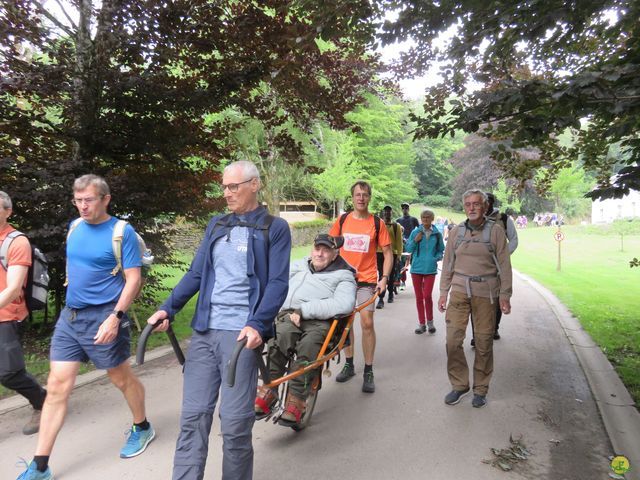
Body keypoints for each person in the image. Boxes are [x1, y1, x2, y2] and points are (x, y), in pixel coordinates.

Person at [147, 160, 291, 480]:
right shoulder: (217, 224)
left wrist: (257, 323)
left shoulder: (274, 228)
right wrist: (167, 308)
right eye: (224, 187)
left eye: (233, 186)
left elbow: (279, 283)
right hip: (204, 333)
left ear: (254, 185)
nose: (226, 193)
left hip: (240, 336)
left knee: (235, 422)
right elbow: (196, 273)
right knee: (193, 417)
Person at [17, 175, 153, 480]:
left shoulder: (121, 233)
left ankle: (142, 426)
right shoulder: (75, 227)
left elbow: (133, 279)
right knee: (56, 387)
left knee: (121, 378)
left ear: (105, 199)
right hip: (71, 318)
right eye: (78, 200)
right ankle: (40, 465)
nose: (82, 206)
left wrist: (115, 318)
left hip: (105, 317)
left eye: (88, 200)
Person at [254, 233, 356, 426]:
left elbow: (345, 303)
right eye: (317, 249)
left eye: (326, 250)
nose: (320, 254)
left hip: (320, 320)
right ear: (312, 249)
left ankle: (297, 399)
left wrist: (305, 310)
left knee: (308, 347)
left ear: (335, 254)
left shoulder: (344, 274)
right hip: (289, 316)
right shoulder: (299, 265)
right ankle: (270, 388)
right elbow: (276, 282)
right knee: (278, 339)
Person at [438, 189, 512, 409]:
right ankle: (460, 385)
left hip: (486, 293)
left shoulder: (496, 232)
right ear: (464, 207)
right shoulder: (456, 232)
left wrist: (505, 295)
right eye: (468, 204)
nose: (472, 207)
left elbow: (505, 266)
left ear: (484, 207)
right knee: (452, 341)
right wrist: (443, 292)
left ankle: (480, 389)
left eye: (476, 204)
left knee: (483, 342)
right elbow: (448, 263)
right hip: (460, 291)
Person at [329, 181, 392, 393]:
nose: (361, 198)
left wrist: (384, 278)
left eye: (365, 194)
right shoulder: (343, 220)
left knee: (367, 322)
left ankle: (368, 369)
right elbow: (329, 245)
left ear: (369, 197)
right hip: (345, 279)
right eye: (357, 194)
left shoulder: (377, 223)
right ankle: (349, 364)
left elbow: (388, 253)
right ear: (352, 197)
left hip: (366, 279)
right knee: (345, 323)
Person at [0, 191, 47, 437]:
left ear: (8, 211)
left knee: (8, 372)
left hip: (7, 314)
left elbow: (14, 287)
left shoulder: (16, 242)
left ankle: (42, 402)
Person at [482, 192, 518, 340]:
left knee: (496, 297)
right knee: (479, 298)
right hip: (481, 264)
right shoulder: (475, 219)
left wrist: (502, 255)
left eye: (488, 201)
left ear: (491, 202)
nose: (486, 204)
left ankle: (494, 328)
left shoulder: (503, 219)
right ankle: (479, 333)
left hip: (498, 265)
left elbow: (514, 240)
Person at [404, 209, 445, 334]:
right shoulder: (416, 232)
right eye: (423, 217)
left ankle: (430, 323)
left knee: (427, 296)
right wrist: (415, 240)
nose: (425, 219)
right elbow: (408, 249)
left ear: (432, 219)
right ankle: (422, 324)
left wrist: (435, 258)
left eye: (428, 217)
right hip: (416, 268)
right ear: (421, 219)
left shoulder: (437, 233)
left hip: (430, 270)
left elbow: (441, 250)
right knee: (419, 297)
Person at [376, 206, 403, 309]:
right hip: (379, 252)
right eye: (386, 211)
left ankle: (390, 293)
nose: (387, 213)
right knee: (381, 274)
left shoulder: (396, 226)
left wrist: (399, 255)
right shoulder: (379, 225)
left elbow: (399, 242)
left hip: (392, 253)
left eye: (389, 212)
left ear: (391, 213)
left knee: (391, 275)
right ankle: (381, 298)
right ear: (383, 213)